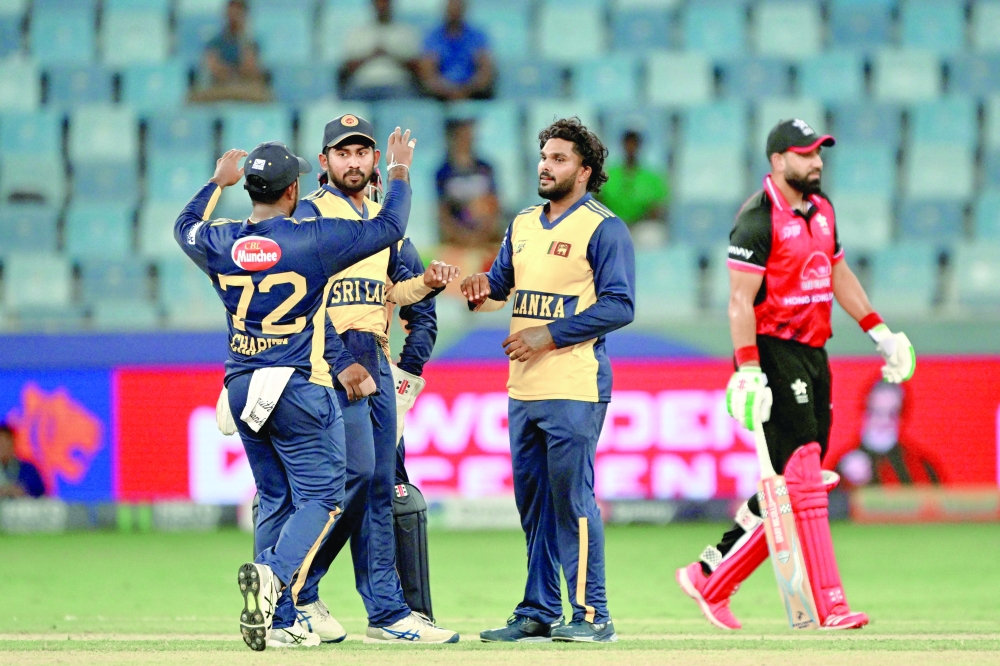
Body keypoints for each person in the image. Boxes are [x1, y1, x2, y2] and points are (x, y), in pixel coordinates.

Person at [174, 130, 416, 650]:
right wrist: (397, 171)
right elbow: (391, 226)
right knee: (324, 497)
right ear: (292, 192)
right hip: (295, 385)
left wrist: (215, 183)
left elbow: (184, 225)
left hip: (241, 383)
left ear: (249, 188)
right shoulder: (314, 239)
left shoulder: (219, 241)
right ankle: (275, 576)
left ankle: (281, 621)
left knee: (274, 498)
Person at [675, 119, 916, 631]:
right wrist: (748, 370)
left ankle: (709, 577)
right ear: (778, 160)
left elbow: (837, 272)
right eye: (806, 154)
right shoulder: (756, 221)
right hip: (770, 351)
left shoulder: (823, 210)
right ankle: (831, 606)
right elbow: (739, 302)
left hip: (812, 352)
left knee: (791, 484)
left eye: (819, 153)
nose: (817, 162)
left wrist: (880, 331)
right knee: (806, 477)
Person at [463, 118, 636, 643]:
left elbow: (620, 305)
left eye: (559, 158)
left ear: (584, 171)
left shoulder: (604, 228)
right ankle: (538, 609)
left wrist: (550, 335)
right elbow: (499, 286)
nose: (546, 165)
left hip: (574, 386)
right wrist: (477, 288)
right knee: (535, 507)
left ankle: (592, 615)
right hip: (523, 388)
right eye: (544, 155)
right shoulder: (522, 223)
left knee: (572, 502)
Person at [290, 114, 460, 644]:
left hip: (377, 353)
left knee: (379, 485)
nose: (354, 162)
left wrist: (425, 283)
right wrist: (341, 360)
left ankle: (386, 613)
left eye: (362, 152)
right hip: (331, 355)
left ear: (373, 160)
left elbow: (388, 293)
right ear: (324, 162)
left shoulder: (380, 219)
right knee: (356, 477)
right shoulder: (309, 214)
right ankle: (297, 589)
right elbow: (301, 301)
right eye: (343, 153)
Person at [836, 381, 941, 487]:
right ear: (865, 413)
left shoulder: (920, 467)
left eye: (892, 414)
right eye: (877, 412)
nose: (884, 421)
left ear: (901, 418)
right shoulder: (843, 468)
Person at [436, 118, 502, 249]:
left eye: (469, 136)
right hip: (456, 242)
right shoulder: (443, 173)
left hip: (486, 239)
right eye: (462, 136)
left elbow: (495, 205)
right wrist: (461, 236)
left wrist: (483, 234)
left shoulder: (485, 168)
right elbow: (442, 212)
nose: (466, 140)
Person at [190, 0, 272, 103]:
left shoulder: (251, 43)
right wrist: (230, 74)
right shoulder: (214, 43)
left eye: (238, 11)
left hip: (244, 88)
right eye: (231, 10)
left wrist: (244, 40)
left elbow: (250, 70)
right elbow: (214, 69)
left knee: (263, 94)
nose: (234, 15)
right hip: (219, 88)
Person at [339, 0, 422, 101]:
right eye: (378, 3)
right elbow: (348, 67)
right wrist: (371, 55)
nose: (382, 7)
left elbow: (416, 66)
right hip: (363, 85)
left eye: (385, 2)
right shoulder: (357, 33)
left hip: (396, 84)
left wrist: (390, 54)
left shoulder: (406, 32)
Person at [418, 0, 494, 101]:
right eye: (451, 8)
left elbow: (485, 70)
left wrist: (466, 90)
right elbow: (428, 72)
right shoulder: (433, 36)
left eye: (457, 8)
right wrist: (447, 91)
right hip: (441, 95)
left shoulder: (477, 36)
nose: (454, 12)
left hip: (473, 93)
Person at [597, 130, 669, 228]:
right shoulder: (608, 174)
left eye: (634, 144)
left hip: (641, 225)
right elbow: (599, 201)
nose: (631, 148)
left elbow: (657, 209)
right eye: (628, 144)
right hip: (612, 223)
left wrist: (635, 221)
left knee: (652, 232)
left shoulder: (652, 178)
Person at [0, 424, 45, 499]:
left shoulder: (28, 469)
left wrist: (23, 491)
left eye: (6, 443)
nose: (2, 448)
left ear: (13, 443)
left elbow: (40, 492)